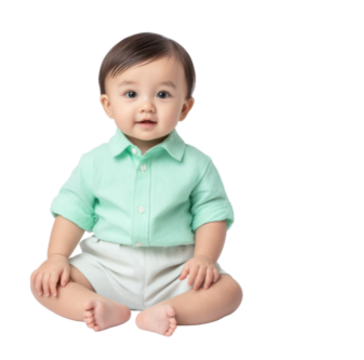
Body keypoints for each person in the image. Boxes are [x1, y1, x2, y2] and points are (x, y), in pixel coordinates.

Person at [28, 32, 242, 337]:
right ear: (107, 105)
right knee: (43, 282)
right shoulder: (93, 162)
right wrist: (56, 258)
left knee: (231, 291)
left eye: (163, 94)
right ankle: (98, 305)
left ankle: (168, 311)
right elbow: (72, 212)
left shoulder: (199, 164)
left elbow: (212, 216)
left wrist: (205, 259)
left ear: (185, 108)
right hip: (106, 265)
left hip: (178, 268)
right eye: (131, 94)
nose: (147, 106)